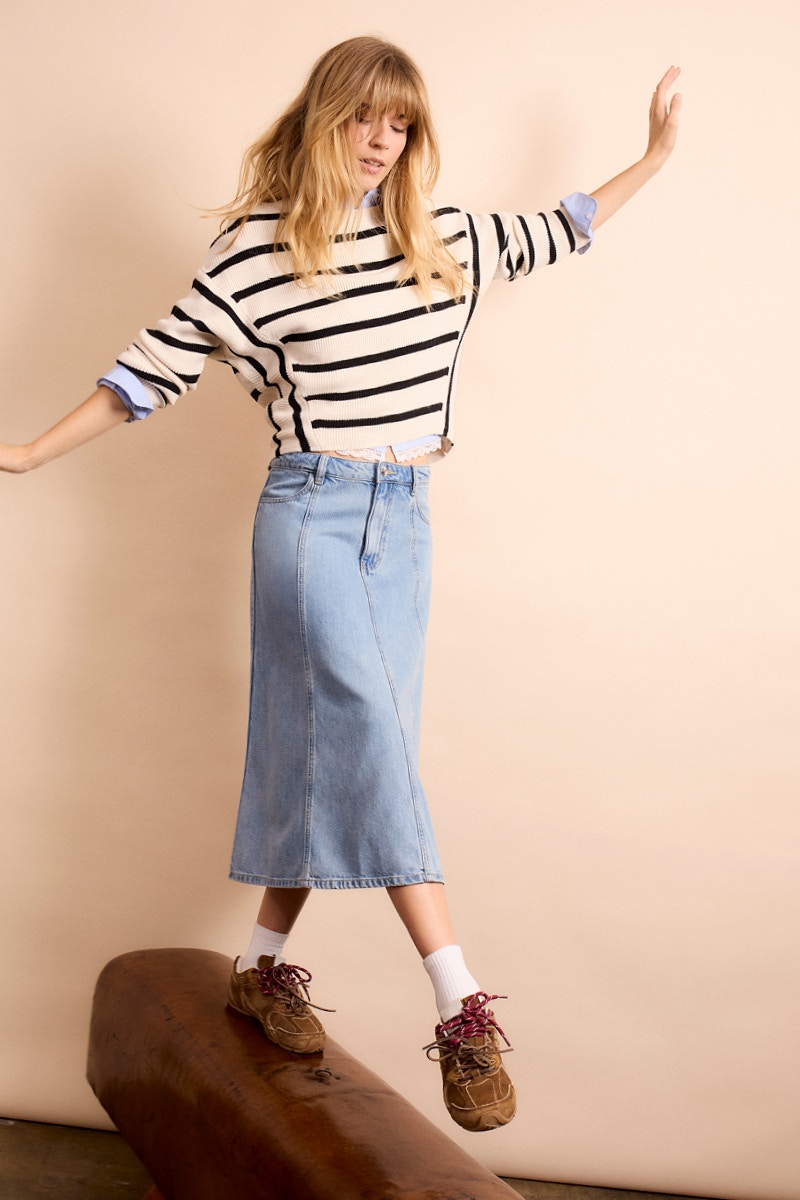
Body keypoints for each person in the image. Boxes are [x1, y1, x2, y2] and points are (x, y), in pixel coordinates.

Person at [0, 36, 681, 1132]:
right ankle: (462, 1008)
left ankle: (261, 967)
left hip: (405, 529)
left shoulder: (440, 239)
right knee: (366, 735)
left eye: (400, 124)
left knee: (324, 753)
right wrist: (30, 452)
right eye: (365, 118)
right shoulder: (257, 256)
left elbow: (565, 226)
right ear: (324, 118)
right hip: (310, 519)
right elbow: (146, 371)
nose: (381, 142)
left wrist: (649, 155)